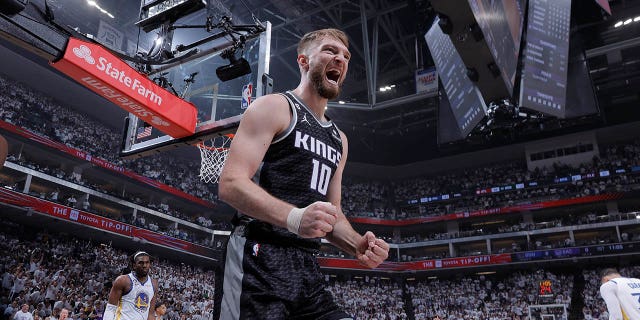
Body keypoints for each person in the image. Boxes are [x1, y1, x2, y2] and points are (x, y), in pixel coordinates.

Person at [216, 28, 390, 319]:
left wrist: (357, 243)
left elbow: (333, 215)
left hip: (306, 267)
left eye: (345, 56)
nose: (340, 59)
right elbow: (230, 185)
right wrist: (295, 218)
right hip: (258, 257)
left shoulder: (339, 139)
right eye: (330, 51)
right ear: (304, 61)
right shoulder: (275, 107)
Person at [102, 251, 158, 320]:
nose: (144, 265)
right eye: (141, 263)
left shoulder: (154, 284)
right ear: (134, 265)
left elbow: (151, 313)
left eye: (147, 262)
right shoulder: (123, 280)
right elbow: (111, 307)